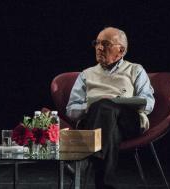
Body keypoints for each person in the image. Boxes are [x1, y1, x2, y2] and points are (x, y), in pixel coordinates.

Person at [66, 27, 155, 189]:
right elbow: (71, 110)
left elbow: (148, 103)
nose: (99, 48)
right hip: (96, 124)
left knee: (106, 106)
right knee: (108, 124)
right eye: (97, 43)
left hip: (129, 122)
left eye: (105, 44)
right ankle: (104, 183)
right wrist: (91, 106)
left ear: (121, 50)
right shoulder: (86, 74)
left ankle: (87, 159)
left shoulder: (135, 70)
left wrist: (116, 102)